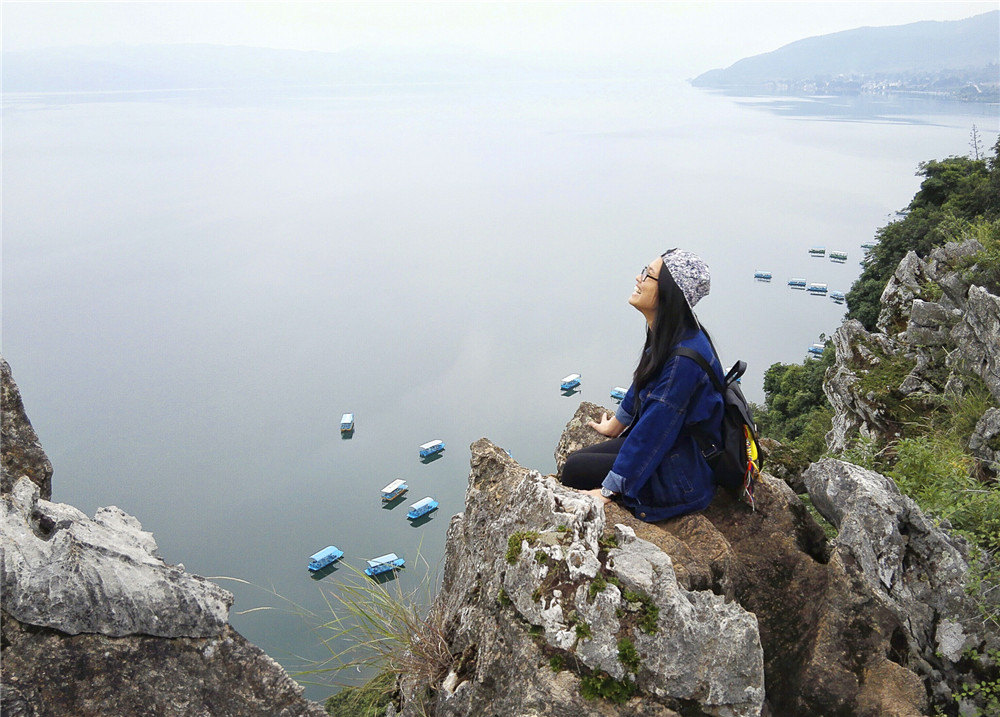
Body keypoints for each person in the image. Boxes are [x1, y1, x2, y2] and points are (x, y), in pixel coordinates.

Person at [560, 249, 725, 522]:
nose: (639, 278)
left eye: (648, 275)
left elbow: (653, 432)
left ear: (669, 293)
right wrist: (616, 424)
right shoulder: (672, 331)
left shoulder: (683, 362)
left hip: (684, 476)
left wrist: (608, 491)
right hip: (678, 449)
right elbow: (644, 378)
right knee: (577, 462)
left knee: (575, 470)